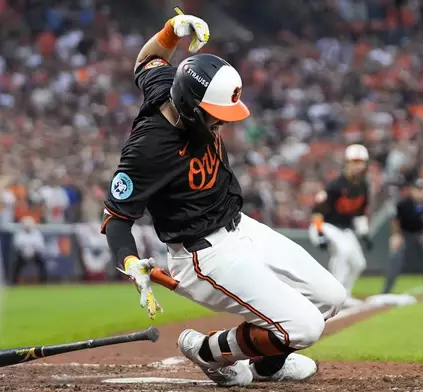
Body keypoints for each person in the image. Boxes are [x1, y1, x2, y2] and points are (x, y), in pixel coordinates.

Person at [100, 13, 346, 388]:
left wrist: (169, 33)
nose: (224, 124)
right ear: (190, 104)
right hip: (202, 254)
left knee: (331, 297)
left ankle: (268, 367)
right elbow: (116, 217)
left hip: (239, 226)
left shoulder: (170, 88)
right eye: (216, 115)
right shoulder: (148, 149)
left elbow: (147, 62)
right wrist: (130, 262)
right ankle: (209, 354)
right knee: (305, 327)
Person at [309, 144, 372, 308]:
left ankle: (345, 294)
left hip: (345, 229)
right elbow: (317, 211)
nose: (357, 165)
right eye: (354, 161)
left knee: (359, 263)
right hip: (326, 225)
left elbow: (360, 213)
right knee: (343, 252)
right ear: (347, 162)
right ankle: (333, 296)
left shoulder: (363, 186)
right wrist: (320, 233)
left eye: (360, 162)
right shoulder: (335, 185)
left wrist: (364, 233)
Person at [382, 178, 423, 297]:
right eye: (417, 189)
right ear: (412, 191)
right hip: (406, 234)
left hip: (422, 235)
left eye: (422, 189)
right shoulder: (404, 204)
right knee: (395, 257)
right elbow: (395, 220)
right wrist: (396, 235)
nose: (420, 192)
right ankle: (386, 291)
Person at [11, 216, 47, 284]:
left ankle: (43, 283)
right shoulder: (19, 233)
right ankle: (13, 283)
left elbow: (41, 246)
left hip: (34, 254)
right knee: (16, 265)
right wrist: (24, 250)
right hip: (22, 254)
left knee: (42, 264)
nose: (27, 227)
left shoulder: (37, 233)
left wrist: (33, 250)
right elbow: (16, 245)